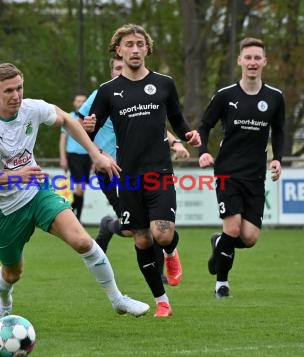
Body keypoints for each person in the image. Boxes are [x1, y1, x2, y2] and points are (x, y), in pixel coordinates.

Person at [0, 63, 150, 327]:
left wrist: (96, 155)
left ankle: (117, 299)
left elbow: (67, 120)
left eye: (19, 88)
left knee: (82, 241)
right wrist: (16, 176)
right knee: (13, 272)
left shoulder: (31, 108)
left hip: (37, 193)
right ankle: (4, 302)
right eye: (8, 91)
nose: (16, 95)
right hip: (5, 210)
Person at [83, 24, 201, 317]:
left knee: (161, 235)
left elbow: (176, 118)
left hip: (159, 171)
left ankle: (172, 252)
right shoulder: (108, 91)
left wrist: (189, 135)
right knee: (141, 239)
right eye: (129, 45)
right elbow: (90, 128)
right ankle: (162, 301)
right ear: (118, 51)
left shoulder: (164, 83)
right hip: (128, 175)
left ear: (147, 49)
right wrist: (91, 137)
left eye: (139, 44)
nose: (135, 49)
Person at [78, 57, 190, 286]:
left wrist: (175, 142)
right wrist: (98, 154)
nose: (122, 71)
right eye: (117, 68)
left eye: (124, 67)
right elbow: (81, 128)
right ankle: (110, 226)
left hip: (142, 168)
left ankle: (158, 274)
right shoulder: (103, 94)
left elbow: (155, 125)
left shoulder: (143, 91)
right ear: (112, 71)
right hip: (111, 171)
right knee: (133, 230)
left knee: (154, 225)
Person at [197, 37, 285, 298]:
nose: (253, 62)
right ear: (240, 61)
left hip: (256, 175)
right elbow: (204, 126)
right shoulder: (226, 96)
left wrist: (278, 158)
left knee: (249, 237)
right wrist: (203, 152)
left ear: (264, 62)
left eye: (258, 58)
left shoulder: (275, 97)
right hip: (227, 172)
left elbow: (279, 131)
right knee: (233, 228)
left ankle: (219, 243)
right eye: (248, 57)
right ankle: (221, 284)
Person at [59, 94, 89, 221]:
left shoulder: (89, 118)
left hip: (87, 156)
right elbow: (63, 138)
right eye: (78, 101)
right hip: (73, 155)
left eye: (83, 101)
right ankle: (76, 218)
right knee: (80, 188)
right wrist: (63, 157)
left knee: (81, 190)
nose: (81, 103)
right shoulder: (69, 117)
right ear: (74, 103)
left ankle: (70, 215)